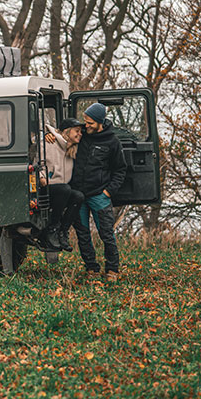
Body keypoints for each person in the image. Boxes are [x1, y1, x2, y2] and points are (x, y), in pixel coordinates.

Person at [69, 102, 127, 282]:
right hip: (79, 196)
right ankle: (91, 269)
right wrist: (49, 135)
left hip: (99, 196)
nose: (86, 125)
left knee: (106, 234)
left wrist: (108, 192)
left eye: (90, 123)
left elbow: (120, 170)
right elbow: (62, 134)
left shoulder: (112, 142)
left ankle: (112, 270)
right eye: (85, 121)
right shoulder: (82, 135)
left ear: (100, 122)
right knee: (83, 234)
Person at [40, 118, 85, 251]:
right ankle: (52, 229)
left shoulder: (72, 149)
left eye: (81, 132)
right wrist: (41, 177)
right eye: (77, 131)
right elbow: (38, 160)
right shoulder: (49, 142)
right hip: (45, 188)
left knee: (78, 196)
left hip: (62, 191)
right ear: (67, 131)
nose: (80, 134)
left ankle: (63, 231)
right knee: (65, 189)